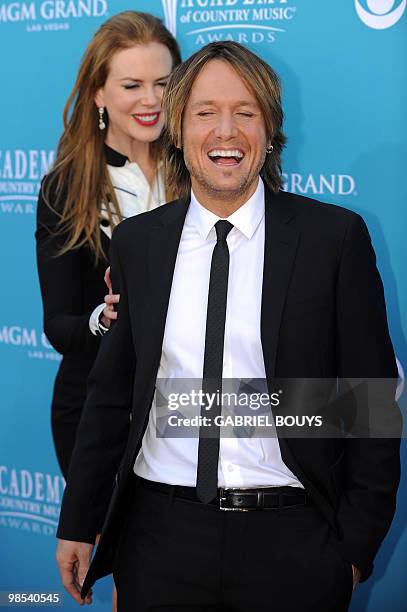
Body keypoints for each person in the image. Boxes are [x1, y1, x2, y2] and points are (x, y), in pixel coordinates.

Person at [55, 42, 401, 611]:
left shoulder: (332, 240)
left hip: (293, 544)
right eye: (205, 112)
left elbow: (369, 403)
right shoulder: (138, 244)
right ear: (176, 128)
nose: (226, 132)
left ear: (269, 129)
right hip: (159, 538)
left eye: (246, 113)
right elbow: (113, 397)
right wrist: (79, 519)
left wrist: (353, 549)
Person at [35, 11, 181, 479]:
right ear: (99, 92)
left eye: (163, 83)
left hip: (186, 410)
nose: (151, 100)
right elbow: (59, 326)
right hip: (97, 415)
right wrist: (106, 318)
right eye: (132, 85)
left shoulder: (201, 173)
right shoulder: (68, 187)